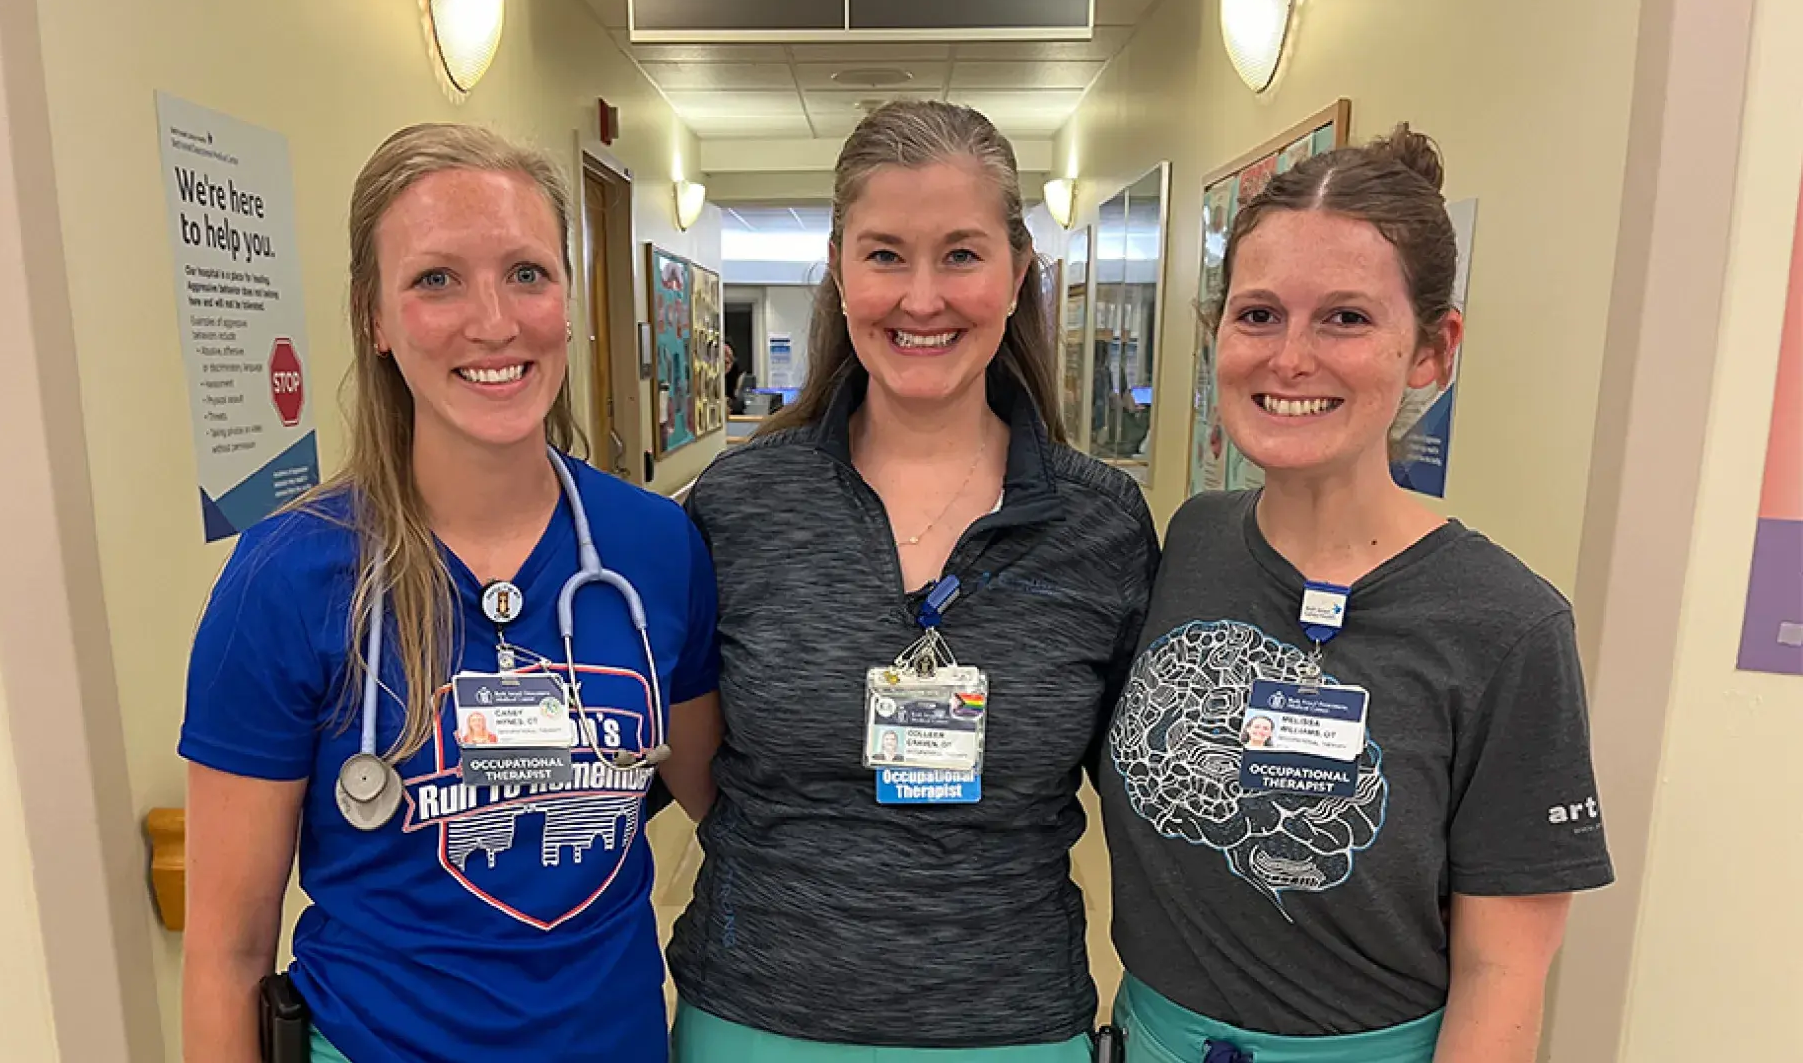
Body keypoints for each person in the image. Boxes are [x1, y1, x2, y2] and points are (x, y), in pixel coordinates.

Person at [178, 123, 721, 1063]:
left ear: (567, 298)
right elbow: (226, 956)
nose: (495, 322)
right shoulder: (285, 578)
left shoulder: (656, 547)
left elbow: (731, 808)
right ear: (374, 318)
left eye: (527, 273)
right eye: (435, 279)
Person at [1098, 124, 1614, 1063]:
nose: (1290, 357)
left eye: (1345, 317)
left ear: (1432, 349)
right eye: (1258, 314)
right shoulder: (1194, 542)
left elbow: (1505, 975)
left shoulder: (1507, 627)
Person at [666, 100, 1159, 1061]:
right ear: (840, 276)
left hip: (1010, 1022)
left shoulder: (1099, 522)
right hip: (758, 1014)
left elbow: (1138, 793)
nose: (921, 297)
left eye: (962, 254)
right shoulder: (740, 505)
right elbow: (696, 762)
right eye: (885, 254)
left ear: (1018, 274)